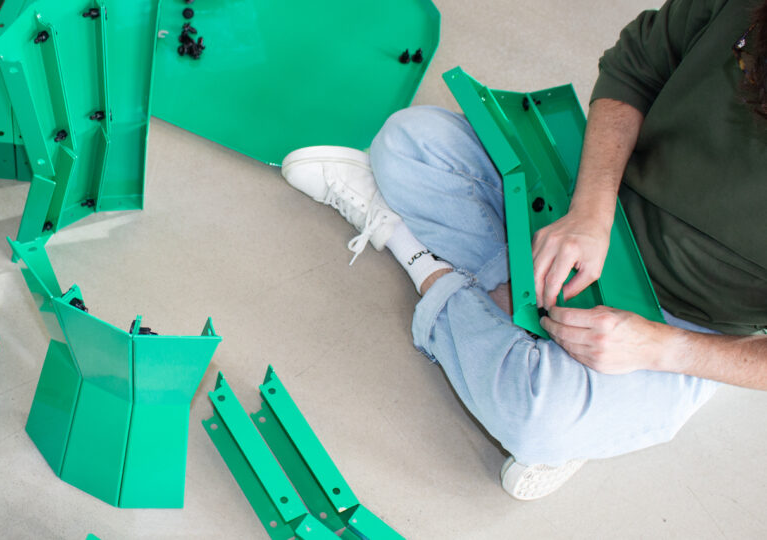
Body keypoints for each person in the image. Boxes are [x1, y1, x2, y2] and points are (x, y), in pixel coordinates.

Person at [280, 0, 767, 500]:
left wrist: (662, 348)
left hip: (686, 322)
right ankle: (518, 318)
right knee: (409, 142)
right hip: (596, 203)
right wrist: (591, 210)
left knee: (537, 418)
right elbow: (636, 70)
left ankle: (416, 257)